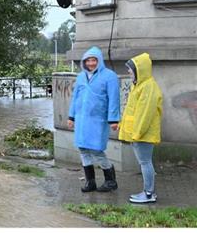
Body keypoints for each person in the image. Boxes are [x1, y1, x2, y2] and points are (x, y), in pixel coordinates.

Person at [67, 46, 120, 192]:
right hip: (81, 120)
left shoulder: (110, 76)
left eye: (94, 60)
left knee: (97, 150)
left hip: (98, 120)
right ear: (84, 62)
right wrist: (71, 116)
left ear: (99, 60)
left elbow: (114, 99)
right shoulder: (80, 77)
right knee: (83, 148)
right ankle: (90, 182)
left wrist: (113, 119)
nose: (91, 63)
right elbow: (75, 97)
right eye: (88, 60)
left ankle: (111, 181)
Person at [119, 52, 163, 204]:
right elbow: (133, 110)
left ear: (139, 69)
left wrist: (137, 134)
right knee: (145, 162)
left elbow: (145, 114)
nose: (128, 71)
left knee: (145, 163)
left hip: (142, 134)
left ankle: (149, 194)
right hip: (138, 134)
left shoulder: (148, 87)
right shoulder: (141, 85)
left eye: (130, 69)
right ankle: (148, 192)